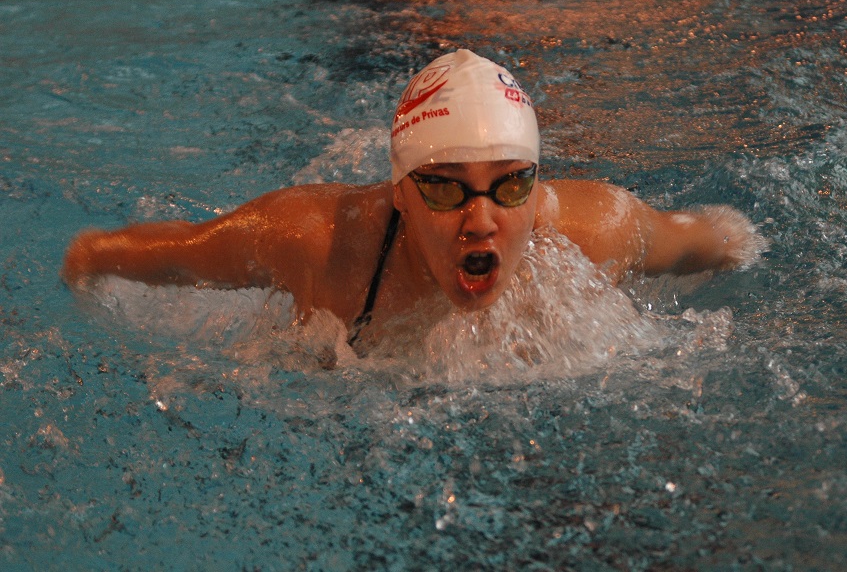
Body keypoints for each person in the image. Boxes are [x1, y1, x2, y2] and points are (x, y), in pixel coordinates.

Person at [62, 49, 766, 350]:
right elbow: (172, 253)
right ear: (400, 192)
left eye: (510, 185)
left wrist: (747, 249)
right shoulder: (315, 245)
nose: (481, 219)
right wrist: (89, 256)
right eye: (444, 188)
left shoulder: (597, 230)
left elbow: (715, 240)